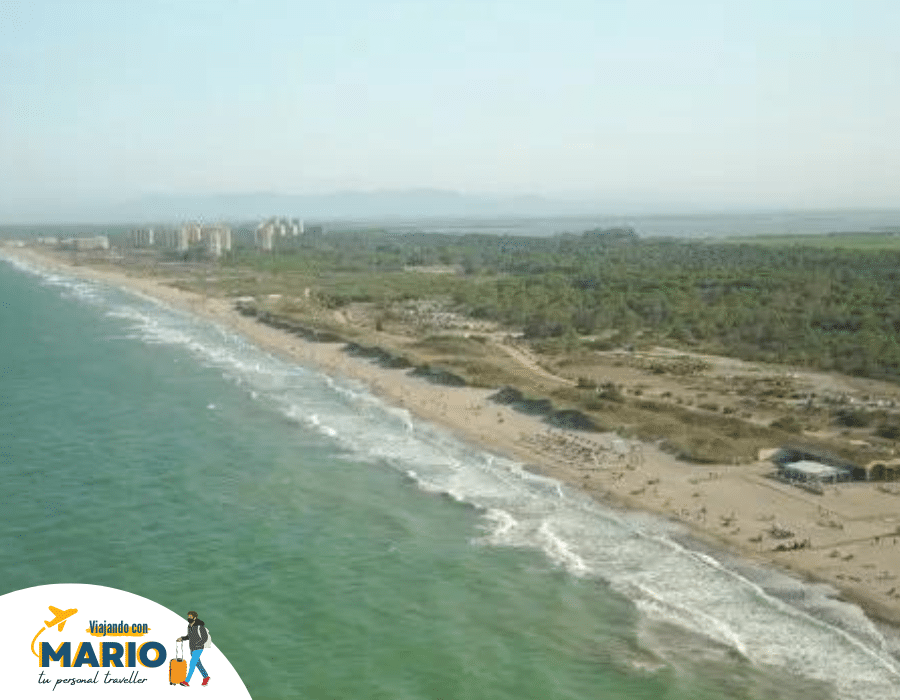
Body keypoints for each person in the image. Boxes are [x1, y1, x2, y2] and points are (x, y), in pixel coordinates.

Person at [176, 611, 210, 687]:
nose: (189, 618)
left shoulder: (199, 626)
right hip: (192, 648)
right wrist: (182, 638)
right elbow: (189, 636)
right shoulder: (189, 626)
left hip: (198, 649)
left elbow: (205, 637)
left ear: (194, 618)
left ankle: (186, 681)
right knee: (198, 664)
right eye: (188, 616)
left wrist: (198, 644)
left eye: (190, 617)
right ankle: (206, 677)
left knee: (192, 664)